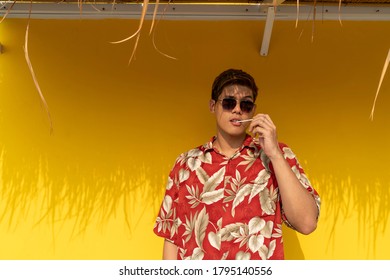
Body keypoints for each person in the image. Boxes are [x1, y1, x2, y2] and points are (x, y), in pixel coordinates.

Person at [153, 69, 320, 260]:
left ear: (253, 110)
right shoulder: (187, 163)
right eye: (229, 102)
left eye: (246, 104)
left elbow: (307, 223)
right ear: (212, 106)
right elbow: (172, 237)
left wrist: (274, 154)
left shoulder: (276, 156)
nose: (237, 109)